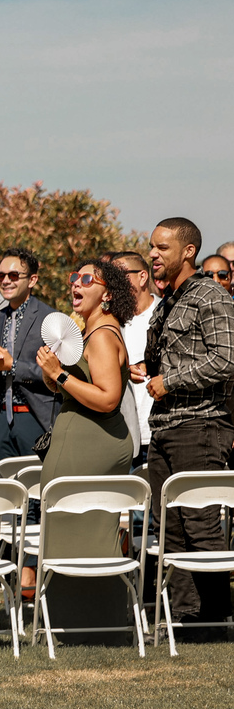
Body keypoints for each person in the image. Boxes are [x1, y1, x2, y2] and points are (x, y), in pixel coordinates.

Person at [35, 259, 136, 637]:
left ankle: (80, 624)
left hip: (90, 444)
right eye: (73, 277)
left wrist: (59, 374)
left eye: (86, 279)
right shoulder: (89, 333)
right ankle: (83, 623)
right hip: (84, 438)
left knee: (80, 526)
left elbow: (108, 397)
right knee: (75, 527)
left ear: (106, 293)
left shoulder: (104, 335)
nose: (76, 283)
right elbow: (83, 386)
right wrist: (55, 375)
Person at [145, 217, 234, 633]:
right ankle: (185, 617)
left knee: (199, 522)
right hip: (164, 427)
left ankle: (215, 617)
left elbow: (225, 360)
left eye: (162, 248)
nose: (153, 255)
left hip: (200, 427)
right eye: (151, 247)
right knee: (169, 527)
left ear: (188, 252)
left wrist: (171, 380)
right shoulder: (167, 302)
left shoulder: (210, 295)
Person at [0, 248, 58, 458]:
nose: (6, 281)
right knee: (8, 487)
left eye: (13, 275)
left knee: (36, 485)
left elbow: (58, 374)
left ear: (32, 280)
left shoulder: (50, 318)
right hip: (0, 418)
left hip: (36, 417)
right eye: (0, 276)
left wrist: (14, 366)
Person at [112, 250, 159, 453]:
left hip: (159, 431)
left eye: (120, 276)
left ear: (142, 276)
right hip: (123, 435)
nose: (114, 283)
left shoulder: (166, 313)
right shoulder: (111, 320)